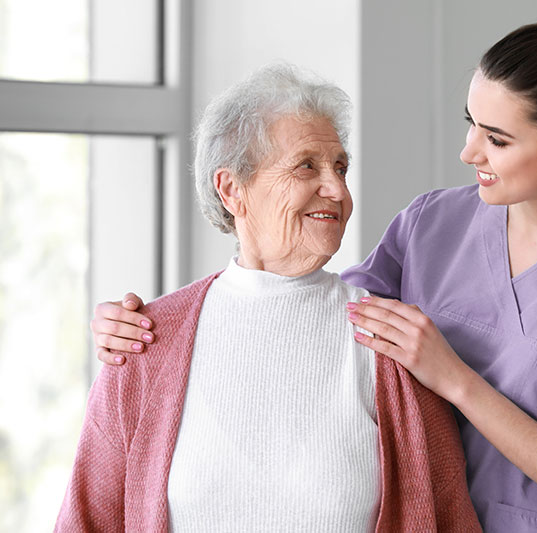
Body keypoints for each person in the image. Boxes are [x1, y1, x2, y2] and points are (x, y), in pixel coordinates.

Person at [89, 14, 537, 533]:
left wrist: (453, 378)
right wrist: (152, 333)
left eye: (498, 139)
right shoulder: (434, 223)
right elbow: (313, 311)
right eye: (471, 122)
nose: (469, 152)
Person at [57, 65, 480, 532]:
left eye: (341, 168)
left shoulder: (393, 345)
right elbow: (85, 520)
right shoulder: (144, 343)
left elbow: (448, 517)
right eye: (307, 166)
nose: (338, 190)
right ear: (232, 189)